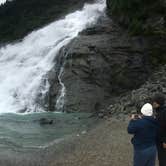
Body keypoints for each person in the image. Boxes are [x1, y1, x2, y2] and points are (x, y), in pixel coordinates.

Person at [152, 93, 166, 166]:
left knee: (163, 159)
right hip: (158, 139)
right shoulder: (158, 110)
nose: (153, 103)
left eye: (154, 101)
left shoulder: (164, 112)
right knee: (161, 158)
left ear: (159, 102)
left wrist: (165, 140)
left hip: (162, 141)